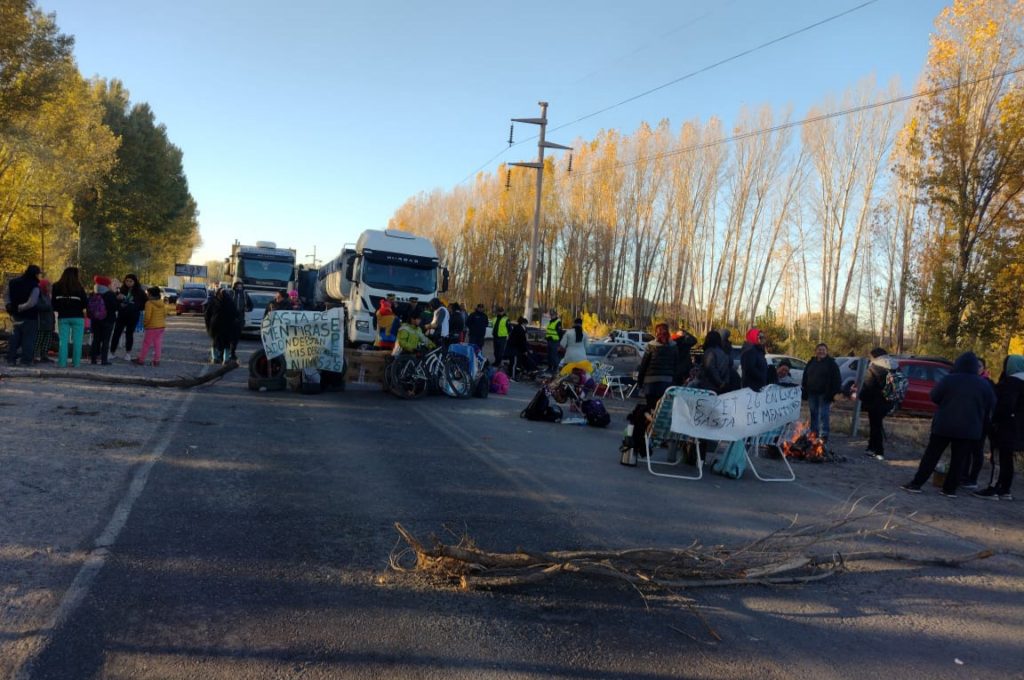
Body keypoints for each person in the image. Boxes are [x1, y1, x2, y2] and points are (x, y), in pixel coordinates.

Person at [901, 352, 996, 498]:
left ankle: (916, 484)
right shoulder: (983, 384)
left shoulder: (949, 379)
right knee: (959, 460)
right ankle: (949, 489)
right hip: (969, 428)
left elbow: (934, 396)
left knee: (932, 455)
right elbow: (991, 403)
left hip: (944, 425)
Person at [974, 355, 1024, 500]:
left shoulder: (1010, 383)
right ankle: (1005, 489)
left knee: (997, 459)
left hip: (1005, 427)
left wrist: (994, 422)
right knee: (1008, 460)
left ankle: (993, 488)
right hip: (1019, 430)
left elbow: (1004, 406)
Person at [859, 348, 896, 461]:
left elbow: (868, 386)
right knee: (877, 425)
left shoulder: (874, 367)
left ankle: (879, 451)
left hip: (875, 402)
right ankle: (871, 447)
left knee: (876, 426)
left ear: (874, 356)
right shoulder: (894, 365)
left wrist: (860, 397)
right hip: (889, 400)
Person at [802, 343, 842, 442]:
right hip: (812, 392)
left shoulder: (831, 364)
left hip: (825, 394)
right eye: (819, 349)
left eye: (823, 350)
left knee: (824, 414)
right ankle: (814, 433)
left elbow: (837, 380)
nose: (821, 351)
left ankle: (824, 434)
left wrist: (833, 393)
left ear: (826, 351)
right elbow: (805, 376)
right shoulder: (811, 362)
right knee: (813, 413)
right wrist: (804, 388)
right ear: (816, 351)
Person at [51, 267, 88, 368]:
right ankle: (76, 363)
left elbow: (53, 303)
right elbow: (85, 303)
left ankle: (62, 363)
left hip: (63, 317)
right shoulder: (79, 287)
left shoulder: (56, 286)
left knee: (63, 341)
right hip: (78, 317)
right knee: (78, 341)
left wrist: (61, 309)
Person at [5, 264, 42, 366]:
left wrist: (9, 306)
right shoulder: (34, 286)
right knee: (28, 339)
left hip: (14, 315)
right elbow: (32, 302)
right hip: (30, 316)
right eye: (38, 274)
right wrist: (21, 307)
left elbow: (7, 295)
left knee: (14, 338)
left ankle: (11, 359)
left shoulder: (13, 282)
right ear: (35, 274)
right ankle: (25, 361)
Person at [637, 323, 679, 410]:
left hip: (650, 383)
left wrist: (640, 382)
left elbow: (644, 365)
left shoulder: (651, 346)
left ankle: (650, 422)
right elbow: (676, 365)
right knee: (662, 410)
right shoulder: (674, 346)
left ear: (656, 333)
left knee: (651, 408)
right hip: (667, 383)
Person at [110, 273, 147, 361]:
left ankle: (128, 353)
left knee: (129, 334)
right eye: (127, 281)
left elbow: (144, 303)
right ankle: (112, 352)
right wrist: (119, 303)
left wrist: (135, 306)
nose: (128, 283)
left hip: (133, 315)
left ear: (135, 282)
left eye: (130, 281)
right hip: (122, 315)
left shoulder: (140, 292)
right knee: (116, 333)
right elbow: (115, 302)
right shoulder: (121, 289)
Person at [88, 275, 118, 365]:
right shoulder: (110, 294)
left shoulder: (93, 294)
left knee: (96, 339)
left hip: (96, 320)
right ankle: (104, 360)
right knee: (106, 340)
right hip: (108, 320)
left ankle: (93, 359)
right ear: (106, 285)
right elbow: (115, 307)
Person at [134, 287, 167, 366]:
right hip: (161, 326)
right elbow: (165, 314)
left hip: (151, 327)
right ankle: (156, 361)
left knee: (146, 343)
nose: (147, 295)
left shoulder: (149, 303)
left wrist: (145, 324)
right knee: (158, 343)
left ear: (151, 295)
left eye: (148, 294)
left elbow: (147, 317)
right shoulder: (161, 303)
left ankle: (141, 360)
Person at [204, 288, 237, 364]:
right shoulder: (229, 302)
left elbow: (207, 315)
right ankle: (223, 359)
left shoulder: (215, 301)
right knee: (224, 343)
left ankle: (217, 358)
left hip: (218, 326)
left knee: (218, 342)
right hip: (223, 326)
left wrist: (208, 325)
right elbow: (236, 314)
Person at [227, 281, 253, 361]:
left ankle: (232, 353)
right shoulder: (230, 294)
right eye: (238, 287)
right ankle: (226, 354)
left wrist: (247, 309)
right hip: (230, 318)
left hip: (240, 317)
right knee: (229, 336)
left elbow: (251, 305)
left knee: (236, 337)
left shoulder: (245, 295)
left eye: (240, 287)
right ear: (235, 287)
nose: (239, 288)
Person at [33, 279, 55, 363]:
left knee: (47, 340)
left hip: (49, 322)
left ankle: (44, 356)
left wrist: (53, 322)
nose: (50, 288)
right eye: (48, 286)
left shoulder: (48, 296)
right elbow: (36, 306)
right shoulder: (39, 295)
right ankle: (34, 356)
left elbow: (51, 310)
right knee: (39, 340)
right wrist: (47, 307)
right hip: (41, 322)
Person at [545, 309, 563, 373]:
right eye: (551, 315)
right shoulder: (551, 321)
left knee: (554, 356)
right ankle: (549, 368)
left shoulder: (558, 322)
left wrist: (559, 343)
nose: (551, 316)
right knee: (549, 356)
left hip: (555, 342)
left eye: (553, 315)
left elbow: (560, 333)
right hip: (549, 341)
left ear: (555, 315)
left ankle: (555, 369)